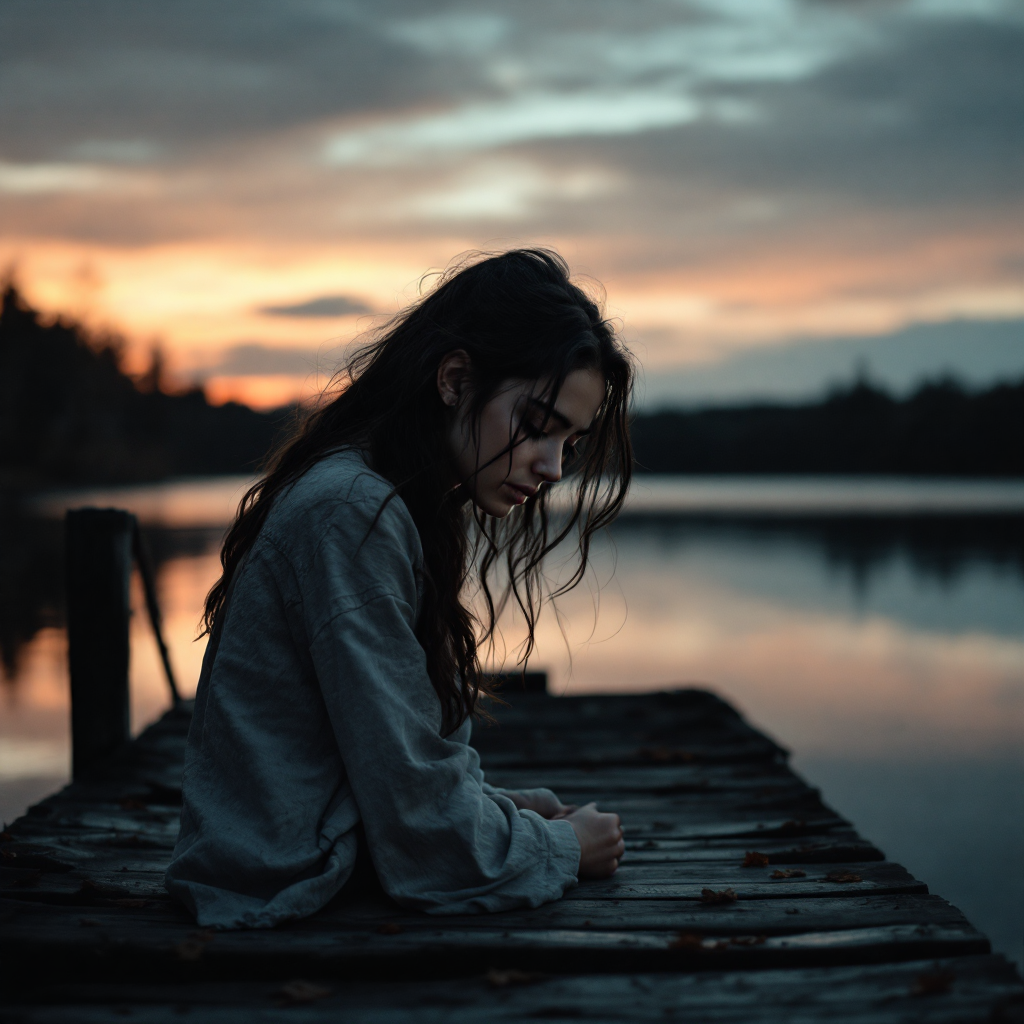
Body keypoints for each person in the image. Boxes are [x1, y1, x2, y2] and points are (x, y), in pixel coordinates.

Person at [165, 249, 633, 929]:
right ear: (454, 380)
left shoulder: (384, 502)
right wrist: (562, 847)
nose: (555, 467)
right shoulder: (349, 512)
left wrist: (507, 812)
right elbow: (422, 832)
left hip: (306, 860)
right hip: (281, 882)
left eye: (572, 442)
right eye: (537, 424)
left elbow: (385, 761)